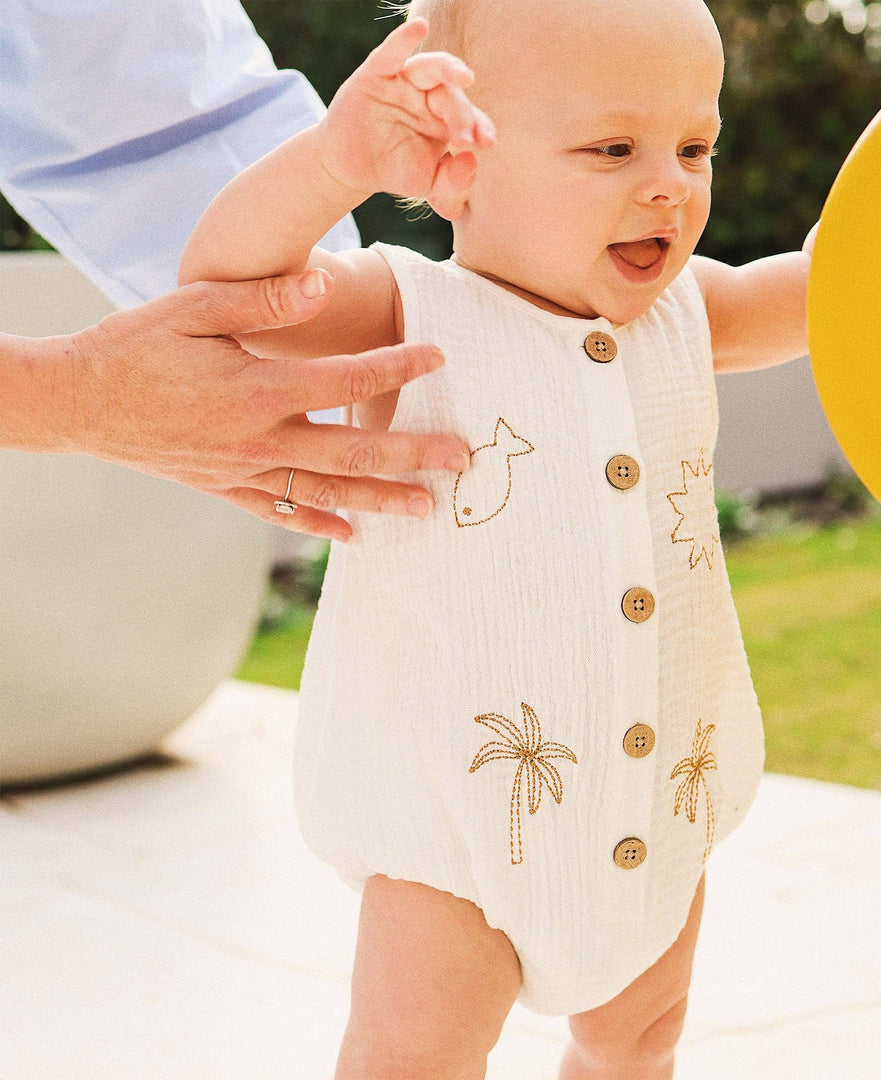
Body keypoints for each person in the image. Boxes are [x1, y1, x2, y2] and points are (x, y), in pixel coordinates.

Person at [180, 1, 813, 1077]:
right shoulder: (410, 309)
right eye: (614, 148)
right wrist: (336, 163)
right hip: (456, 821)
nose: (670, 182)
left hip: (653, 796)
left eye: (695, 146)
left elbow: (835, 287)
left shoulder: (690, 312)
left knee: (639, 1038)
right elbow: (230, 295)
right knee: (413, 1051)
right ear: (456, 169)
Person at [0, 0, 470, 541]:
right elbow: (243, 291)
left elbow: (139, 86)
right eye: (593, 148)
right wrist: (330, 168)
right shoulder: (404, 309)